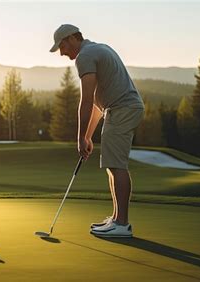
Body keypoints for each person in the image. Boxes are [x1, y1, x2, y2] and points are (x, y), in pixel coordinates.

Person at [50, 24, 145, 237]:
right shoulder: (97, 49)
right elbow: (95, 104)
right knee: (112, 165)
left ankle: (122, 224)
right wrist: (87, 136)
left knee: (116, 164)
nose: (62, 52)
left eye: (62, 46)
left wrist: (79, 139)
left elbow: (85, 101)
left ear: (72, 39)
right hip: (120, 108)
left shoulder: (85, 56)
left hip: (122, 109)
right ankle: (116, 219)